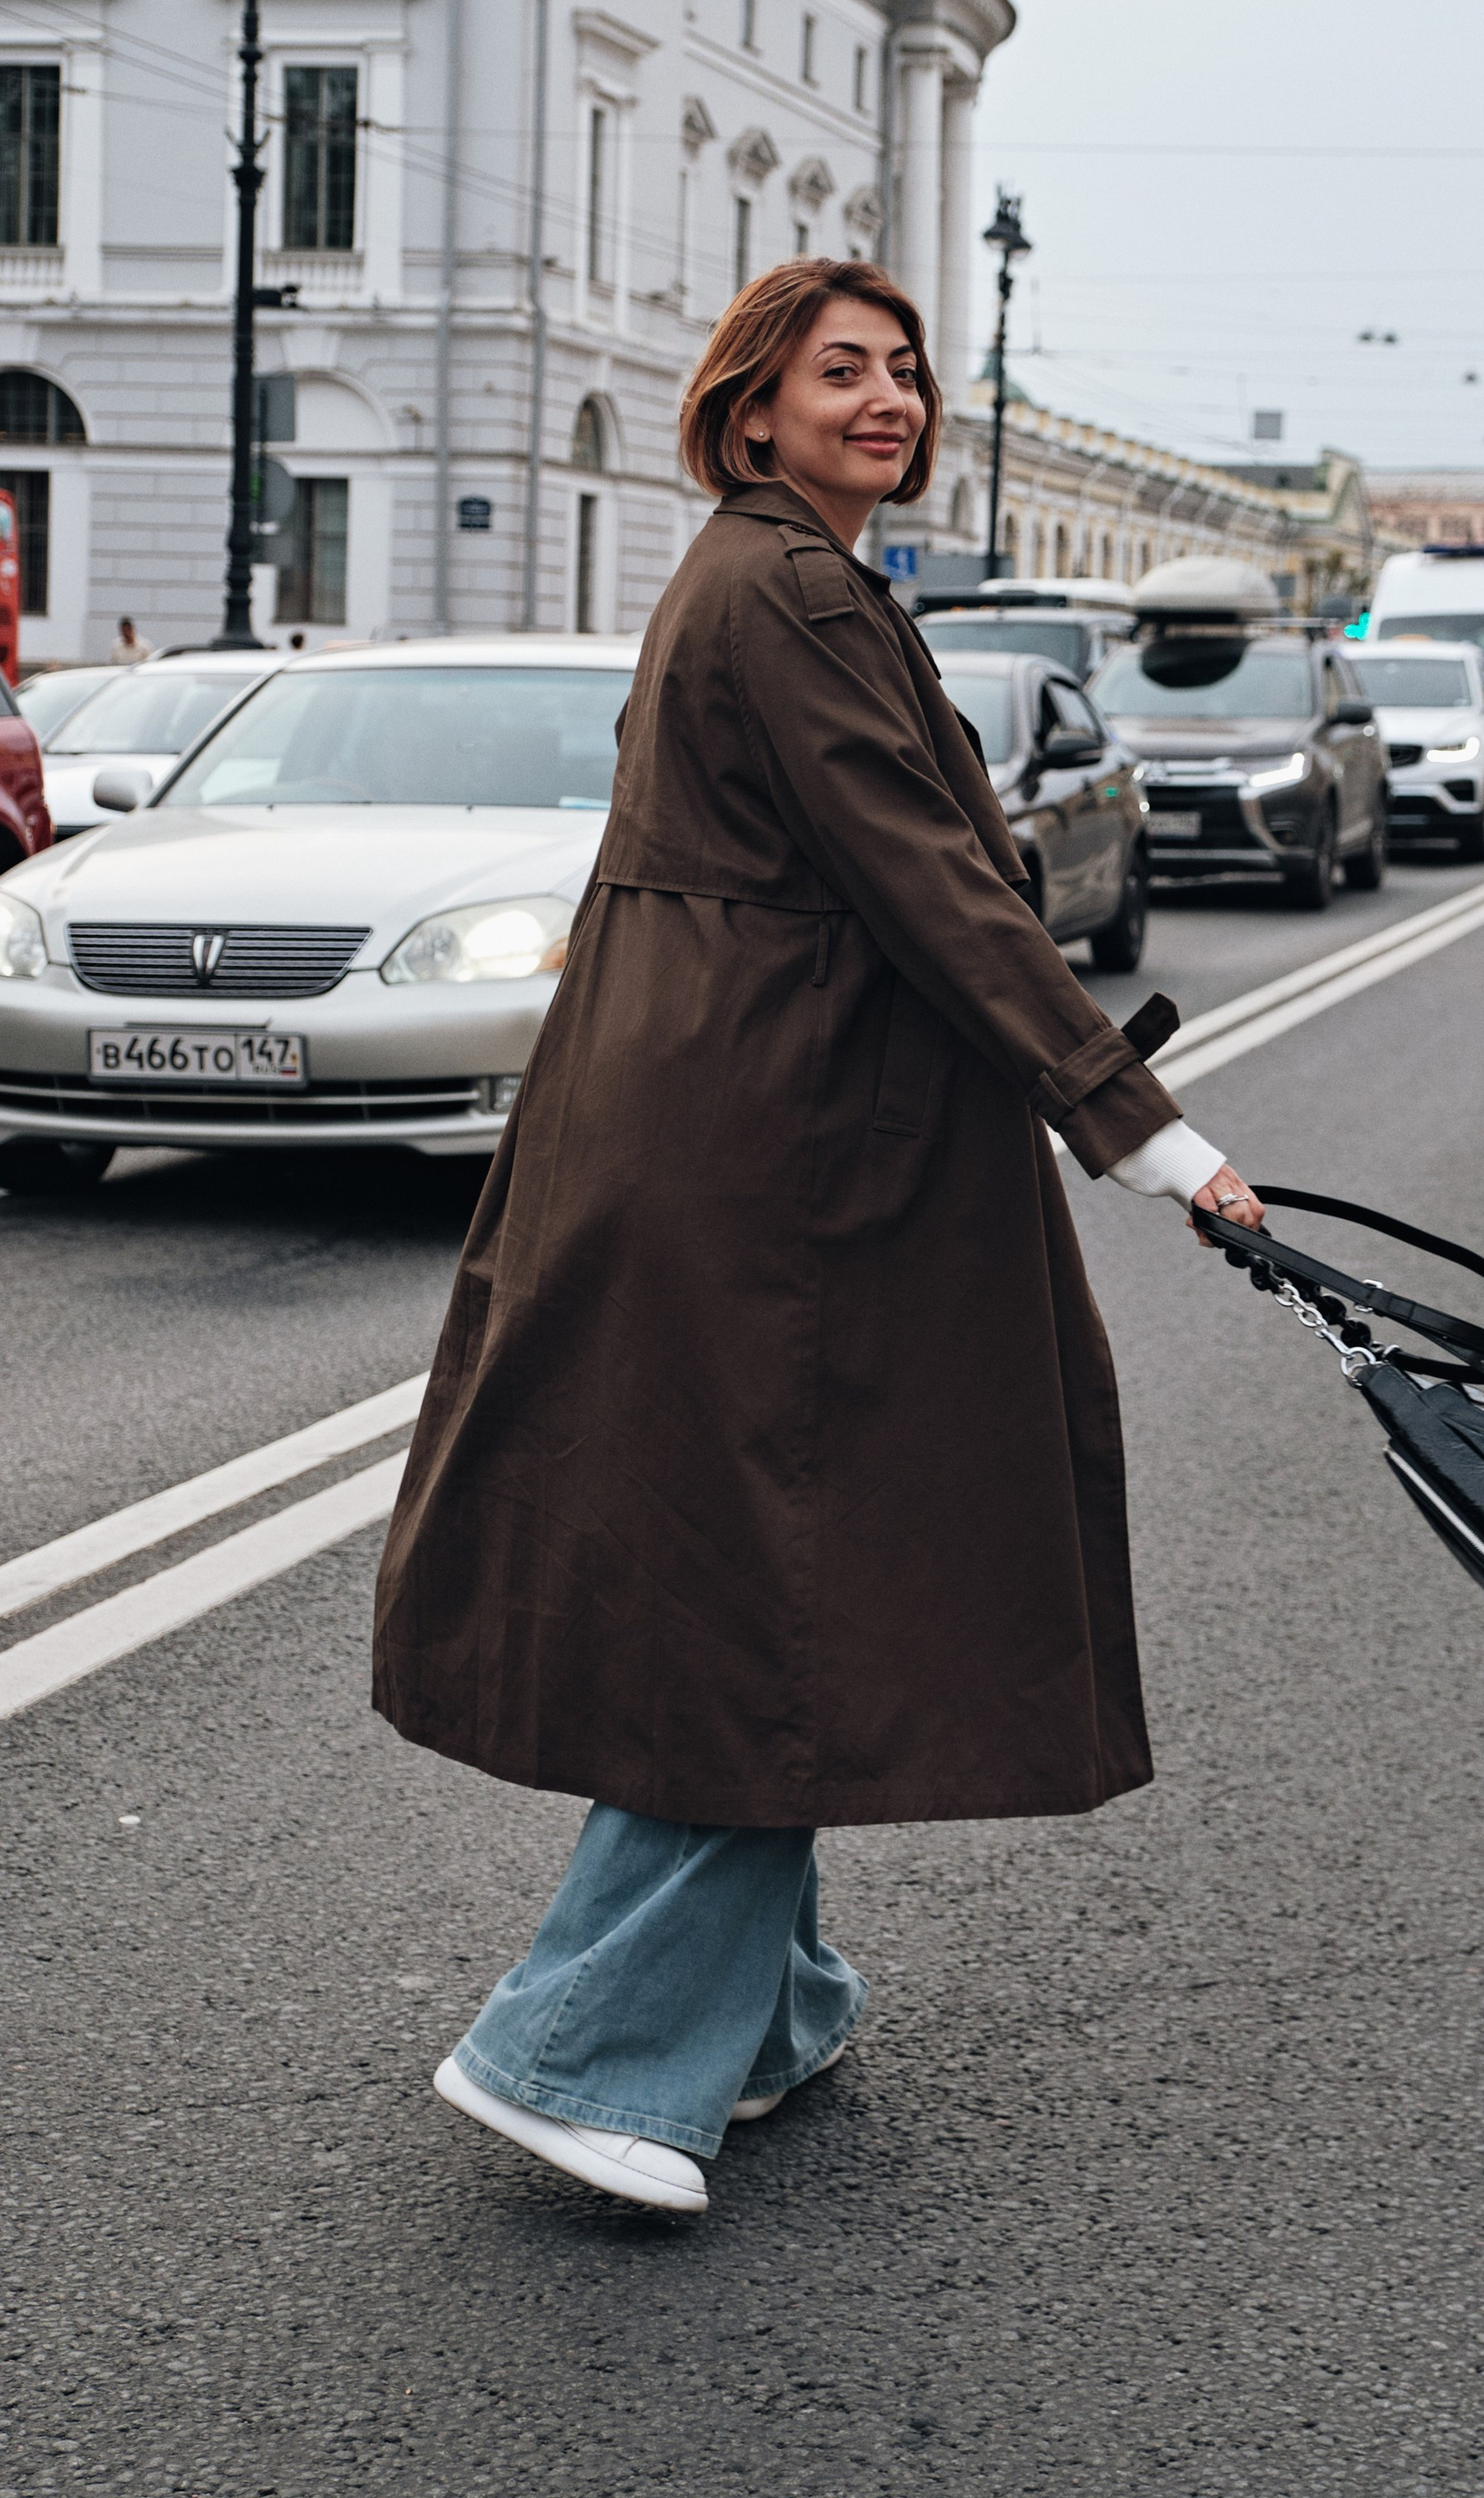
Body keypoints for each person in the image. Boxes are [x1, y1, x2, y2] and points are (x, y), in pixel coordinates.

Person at [373, 255, 1263, 2217]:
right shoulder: (784, 587)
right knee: (777, 1582)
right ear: (750, 405)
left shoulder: (780, 573)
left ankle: (763, 2009)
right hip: (771, 1158)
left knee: (761, 1563)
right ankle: (577, 2056)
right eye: (837, 370)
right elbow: (933, 888)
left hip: (740, 1122)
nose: (887, 398)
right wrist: (1138, 1131)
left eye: (905, 371)